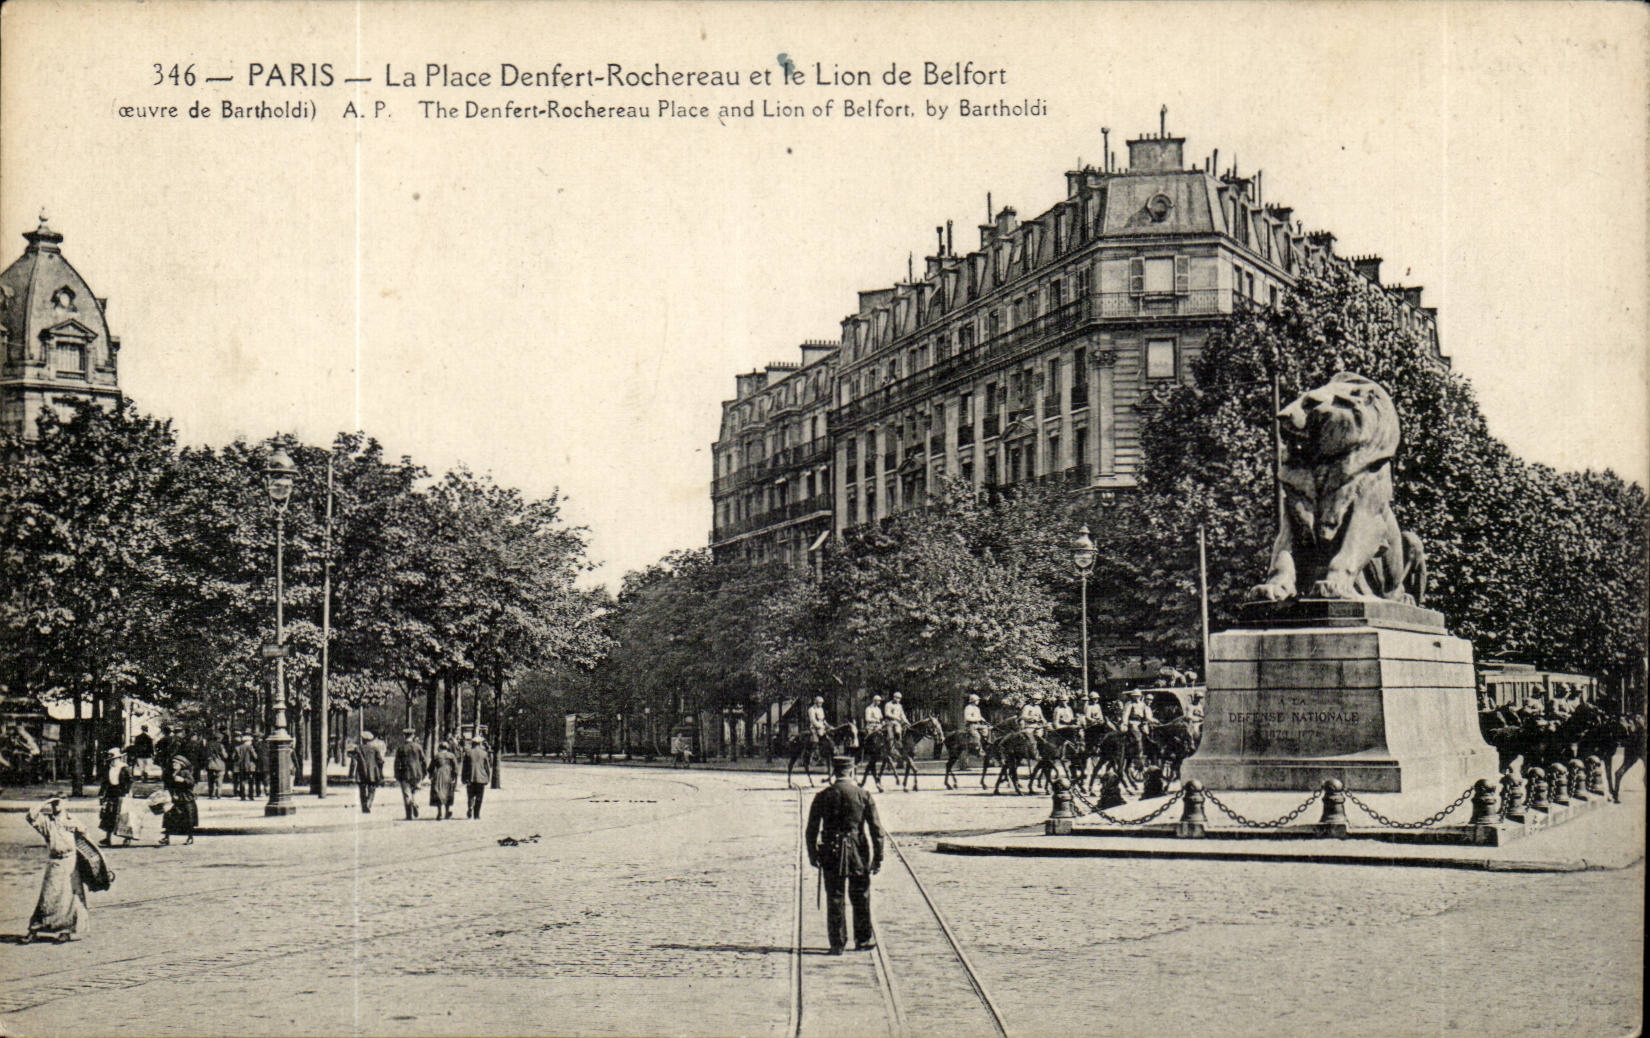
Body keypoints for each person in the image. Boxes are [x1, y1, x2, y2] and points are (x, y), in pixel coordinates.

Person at [805, 755, 885, 955]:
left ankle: (837, 943)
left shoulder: (823, 796)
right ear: (852, 771)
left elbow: (811, 830)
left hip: (830, 852)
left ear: (834, 772)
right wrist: (878, 857)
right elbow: (877, 830)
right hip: (857, 851)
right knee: (860, 895)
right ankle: (863, 939)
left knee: (834, 896)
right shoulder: (863, 795)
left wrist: (813, 855)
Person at [23, 798, 90, 942]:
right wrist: (44, 802)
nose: (56, 806)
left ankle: (66, 931)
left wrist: (78, 830)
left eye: (59, 802)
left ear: (66, 804)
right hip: (55, 861)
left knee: (69, 899)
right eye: (54, 804)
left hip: (71, 862)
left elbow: (86, 840)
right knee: (48, 896)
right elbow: (31, 816)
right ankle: (34, 929)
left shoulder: (73, 820)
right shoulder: (47, 822)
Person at [97, 746, 134, 847]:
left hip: (122, 792)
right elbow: (104, 783)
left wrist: (127, 792)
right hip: (111, 793)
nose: (112, 762)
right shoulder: (108, 769)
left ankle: (127, 838)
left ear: (118, 759)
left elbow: (129, 781)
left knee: (124, 816)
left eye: (114, 760)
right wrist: (101, 795)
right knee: (109, 815)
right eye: (110, 760)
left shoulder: (124, 768)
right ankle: (107, 838)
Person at [160, 752, 197, 846]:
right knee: (169, 816)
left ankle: (190, 837)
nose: (174, 765)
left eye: (176, 763)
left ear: (181, 765)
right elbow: (167, 784)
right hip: (174, 798)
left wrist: (183, 780)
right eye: (173, 763)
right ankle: (166, 837)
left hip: (185, 798)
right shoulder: (170, 773)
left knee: (188, 818)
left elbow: (191, 783)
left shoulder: (185, 773)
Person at [394, 728, 428, 821]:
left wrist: (397, 774)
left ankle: (409, 815)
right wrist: (424, 772)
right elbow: (424, 760)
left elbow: (397, 763)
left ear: (404, 736)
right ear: (412, 736)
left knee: (406, 794)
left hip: (405, 773)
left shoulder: (401, 748)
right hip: (417, 773)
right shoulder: (418, 747)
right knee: (413, 791)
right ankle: (414, 802)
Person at [352, 730, 386, 814]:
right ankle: (369, 803)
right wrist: (380, 771)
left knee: (362, 790)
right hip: (372, 772)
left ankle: (364, 806)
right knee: (372, 789)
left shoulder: (358, 748)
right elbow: (380, 761)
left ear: (363, 739)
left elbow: (354, 758)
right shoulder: (374, 749)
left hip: (361, 772)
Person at [461, 735, 492, 819]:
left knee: (470, 795)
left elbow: (464, 767)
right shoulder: (484, 753)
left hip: (470, 777)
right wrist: (488, 777)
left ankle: (470, 807)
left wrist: (463, 778)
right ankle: (476, 814)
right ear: (480, 743)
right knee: (479, 796)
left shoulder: (468, 753)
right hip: (481, 778)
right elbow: (487, 767)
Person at [428, 738, 459, 820]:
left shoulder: (437, 755)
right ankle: (447, 811)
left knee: (438, 792)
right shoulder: (451, 755)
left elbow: (431, 767)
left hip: (438, 774)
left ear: (440, 747)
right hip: (448, 774)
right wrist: (454, 776)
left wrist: (430, 775)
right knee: (448, 793)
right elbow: (456, 767)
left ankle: (439, 812)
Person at [233, 733, 258, 801]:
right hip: (250, 766)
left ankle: (242, 795)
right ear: (248, 741)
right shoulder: (250, 747)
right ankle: (251, 795)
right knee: (251, 781)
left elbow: (234, 757)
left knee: (242, 781)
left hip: (241, 766)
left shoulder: (238, 747)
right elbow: (255, 756)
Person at [203, 730, 227, 799]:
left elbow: (205, 754)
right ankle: (218, 793)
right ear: (219, 738)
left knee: (211, 780)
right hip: (219, 764)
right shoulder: (220, 745)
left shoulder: (208, 745)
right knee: (219, 780)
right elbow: (224, 755)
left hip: (210, 764)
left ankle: (211, 793)